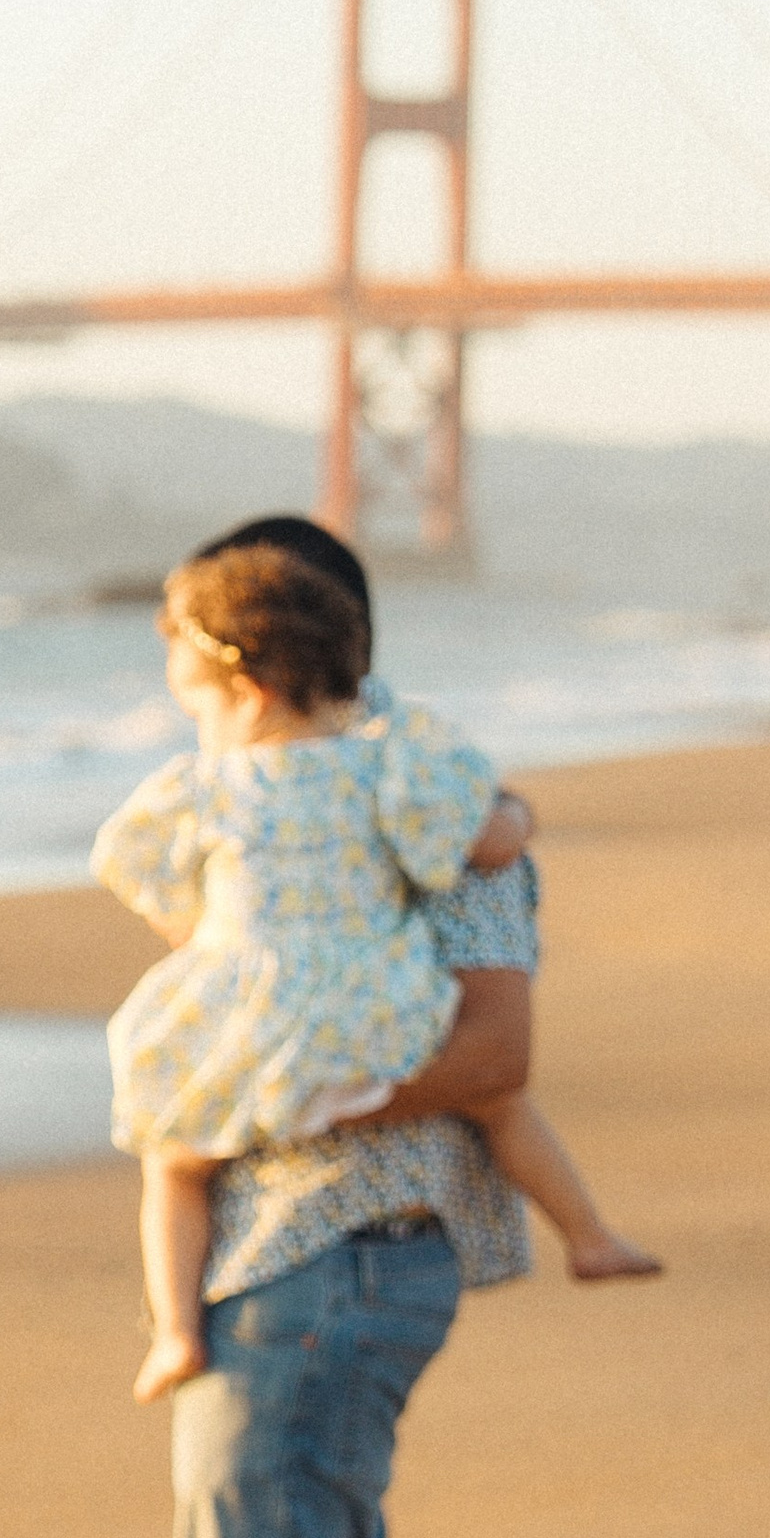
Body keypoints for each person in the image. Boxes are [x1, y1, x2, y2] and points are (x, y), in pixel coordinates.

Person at [99, 516, 610, 1538]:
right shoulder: (398, 793)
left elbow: (497, 1050)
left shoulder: (418, 800)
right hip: (368, 1267)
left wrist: (265, 1098)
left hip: (308, 1263)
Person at [98, 542, 658, 1402]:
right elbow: (480, 844)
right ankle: (588, 1236)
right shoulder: (389, 764)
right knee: (499, 1105)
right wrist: (516, 815)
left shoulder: (201, 787)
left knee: (174, 1162)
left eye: (196, 703)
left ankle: (173, 1332)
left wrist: (205, 937)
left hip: (257, 1024)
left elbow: (133, 868)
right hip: (378, 1003)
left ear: (247, 690)